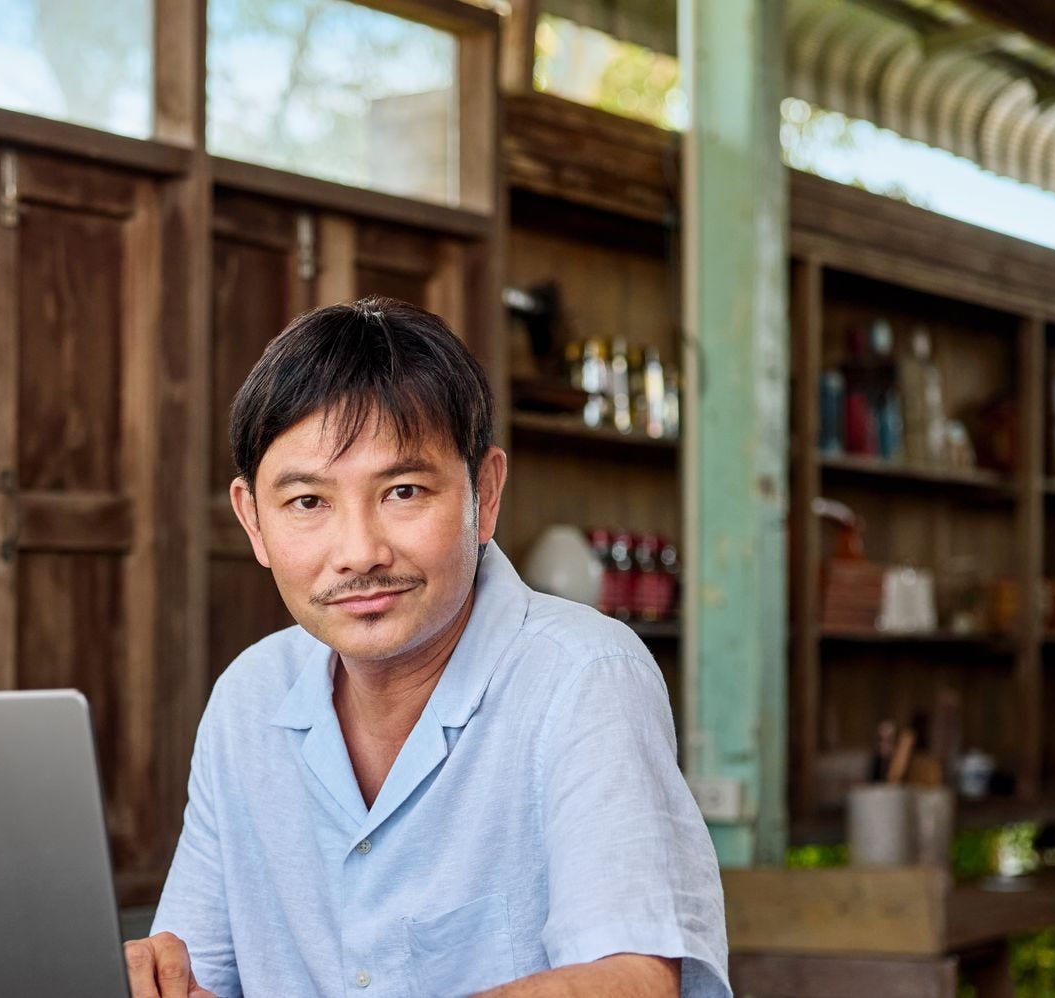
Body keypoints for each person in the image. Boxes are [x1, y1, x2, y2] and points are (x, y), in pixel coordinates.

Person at [126, 297, 729, 998]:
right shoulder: (248, 695)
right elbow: (192, 969)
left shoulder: (583, 676)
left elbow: (633, 979)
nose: (357, 553)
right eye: (307, 503)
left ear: (486, 492)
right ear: (252, 521)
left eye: (403, 490)